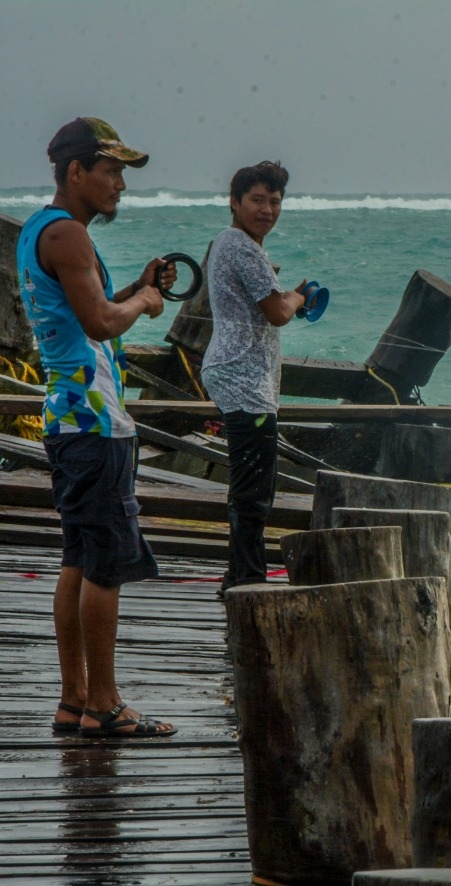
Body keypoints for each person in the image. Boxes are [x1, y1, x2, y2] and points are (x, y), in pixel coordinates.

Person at [17, 117, 177, 738]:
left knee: (79, 558)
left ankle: (74, 700)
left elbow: (87, 310)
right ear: (74, 170)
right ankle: (106, 707)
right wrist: (143, 302)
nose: (120, 185)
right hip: (93, 423)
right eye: (110, 171)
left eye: (122, 173)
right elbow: (103, 324)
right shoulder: (69, 237)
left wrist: (135, 286)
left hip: (68, 414)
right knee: (105, 563)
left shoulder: (41, 230)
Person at [200, 161, 309, 593]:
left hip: (239, 376)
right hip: (243, 380)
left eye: (275, 201)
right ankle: (245, 578)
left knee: (252, 483)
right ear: (235, 202)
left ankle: (242, 572)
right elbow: (278, 312)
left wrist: (288, 296)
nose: (267, 209)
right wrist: (299, 296)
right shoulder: (243, 246)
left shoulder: (235, 245)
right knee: (253, 488)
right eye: (257, 200)